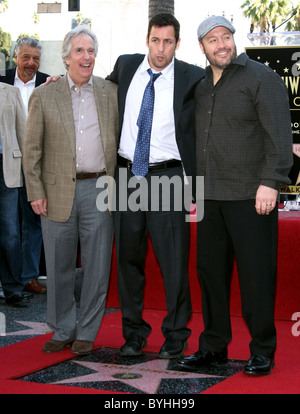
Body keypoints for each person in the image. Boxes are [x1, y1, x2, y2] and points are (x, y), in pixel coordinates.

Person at [177, 16, 293, 375]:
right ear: (202, 47)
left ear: (233, 40)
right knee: (210, 275)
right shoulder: (197, 85)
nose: (221, 44)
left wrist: (271, 182)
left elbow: (280, 136)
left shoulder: (261, 77)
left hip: (250, 195)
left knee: (256, 276)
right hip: (209, 196)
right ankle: (213, 347)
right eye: (212, 40)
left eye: (225, 37)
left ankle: (262, 350)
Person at [106, 13, 205, 359]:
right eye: (155, 40)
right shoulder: (125, 66)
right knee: (128, 261)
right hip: (126, 177)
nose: (160, 49)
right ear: (146, 40)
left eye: (167, 41)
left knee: (173, 262)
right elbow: (97, 93)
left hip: (169, 177)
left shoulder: (193, 76)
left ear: (178, 43)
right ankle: (133, 334)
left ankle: (176, 335)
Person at [23, 25, 118, 355]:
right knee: (59, 266)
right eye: (79, 51)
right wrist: (35, 191)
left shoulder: (110, 92)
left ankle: (87, 332)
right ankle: (62, 328)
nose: (86, 57)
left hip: (101, 190)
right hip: (56, 192)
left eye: (91, 50)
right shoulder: (45, 94)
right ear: (65, 57)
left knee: (97, 267)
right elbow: (32, 148)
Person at [0, 37, 49, 294]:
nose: (31, 63)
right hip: (7, 160)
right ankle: (11, 279)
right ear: (15, 57)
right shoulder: (2, 80)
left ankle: (29, 277)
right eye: (26, 57)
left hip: (37, 161)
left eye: (36, 59)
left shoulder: (49, 83)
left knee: (33, 220)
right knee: (9, 224)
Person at [0, 83, 33, 306]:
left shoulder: (9, 91)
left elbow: (23, 132)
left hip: (7, 170)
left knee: (10, 233)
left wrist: (30, 173)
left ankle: (12, 288)